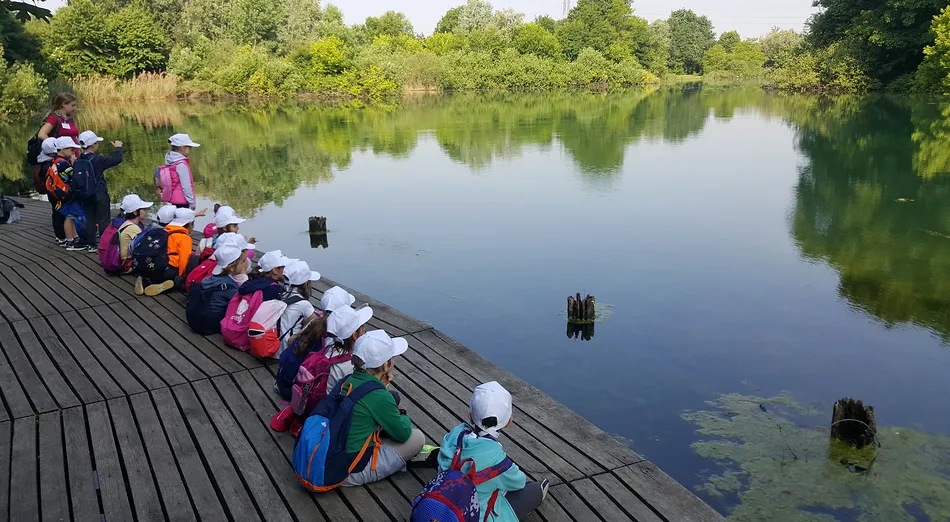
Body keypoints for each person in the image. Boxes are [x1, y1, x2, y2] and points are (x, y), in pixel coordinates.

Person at [436, 382, 549, 522]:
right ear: (509, 421)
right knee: (536, 490)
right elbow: (519, 482)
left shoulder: (452, 437)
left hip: (443, 503)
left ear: (469, 415)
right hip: (473, 516)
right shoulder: (498, 460)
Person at [340, 329, 424, 486]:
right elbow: (403, 434)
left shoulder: (346, 381)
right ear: (386, 365)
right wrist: (404, 417)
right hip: (349, 472)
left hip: (332, 455)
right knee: (417, 438)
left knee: (392, 400)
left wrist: (383, 388)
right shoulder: (379, 396)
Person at [186, 244, 246, 334]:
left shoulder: (208, 278)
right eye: (242, 262)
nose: (244, 265)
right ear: (232, 267)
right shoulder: (230, 287)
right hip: (209, 325)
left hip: (194, 320)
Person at [139, 207, 199, 296]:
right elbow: (184, 261)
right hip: (167, 272)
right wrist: (181, 278)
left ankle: (145, 280)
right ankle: (168, 284)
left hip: (152, 267)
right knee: (194, 260)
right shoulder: (184, 238)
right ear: (190, 224)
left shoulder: (164, 230)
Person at [77, 130, 123, 240]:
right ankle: (104, 243)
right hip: (100, 193)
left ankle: (91, 244)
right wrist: (118, 148)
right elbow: (117, 159)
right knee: (104, 219)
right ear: (93, 145)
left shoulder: (79, 159)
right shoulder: (98, 159)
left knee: (90, 218)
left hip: (85, 194)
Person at [324, 303, 373, 393]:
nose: (365, 331)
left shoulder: (328, 347)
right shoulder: (350, 366)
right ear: (355, 336)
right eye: (363, 327)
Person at [48, 137, 86, 251]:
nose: (73, 152)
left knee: (71, 216)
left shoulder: (55, 161)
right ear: (63, 150)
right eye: (71, 149)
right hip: (67, 194)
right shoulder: (64, 164)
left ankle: (74, 238)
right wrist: (74, 164)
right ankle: (70, 242)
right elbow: (74, 176)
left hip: (60, 194)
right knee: (69, 217)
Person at [278, 260, 322, 356]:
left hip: (272, 344)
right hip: (285, 350)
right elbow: (316, 323)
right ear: (306, 283)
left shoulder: (281, 293)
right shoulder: (303, 304)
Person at [36, 138, 66, 245]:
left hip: (50, 192)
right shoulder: (51, 164)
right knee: (61, 214)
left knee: (55, 213)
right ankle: (62, 236)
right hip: (56, 193)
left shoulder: (42, 160)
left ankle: (59, 236)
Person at [157, 133, 199, 209]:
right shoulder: (181, 165)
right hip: (184, 201)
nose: (191, 150)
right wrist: (192, 203)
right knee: (185, 220)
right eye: (189, 148)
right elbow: (186, 186)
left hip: (174, 200)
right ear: (183, 148)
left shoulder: (169, 160)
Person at [117, 194, 152, 274]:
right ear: (135, 212)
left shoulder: (126, 223)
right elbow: (143, 248)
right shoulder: (133, 228)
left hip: (123, 260)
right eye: (143, 209)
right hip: (127, 263)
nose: (145, 211)